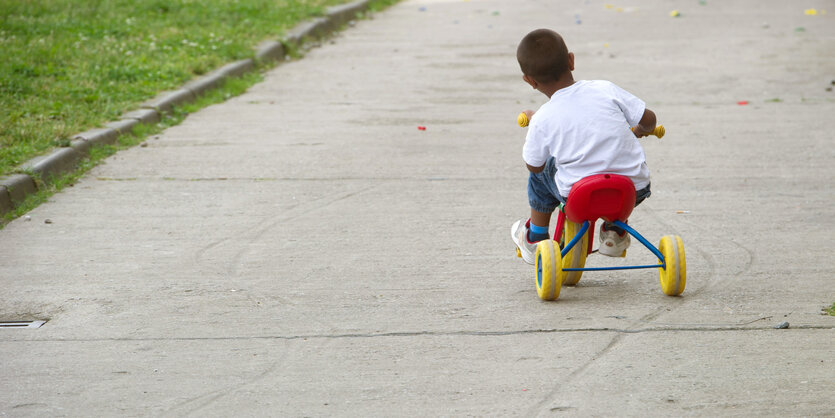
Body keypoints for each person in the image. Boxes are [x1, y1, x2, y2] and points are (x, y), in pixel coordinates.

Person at [511, 28, 657, 264]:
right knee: (616, 165)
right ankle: (615, 231)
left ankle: (535, 237)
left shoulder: (543, 118)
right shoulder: (605, 89)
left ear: (529, 81)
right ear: (571, 60)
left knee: (541, 175)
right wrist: (641, 130)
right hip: (631, 189)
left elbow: (534, 166)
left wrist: (534, 124)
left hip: (579, 197)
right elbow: (649, 119)